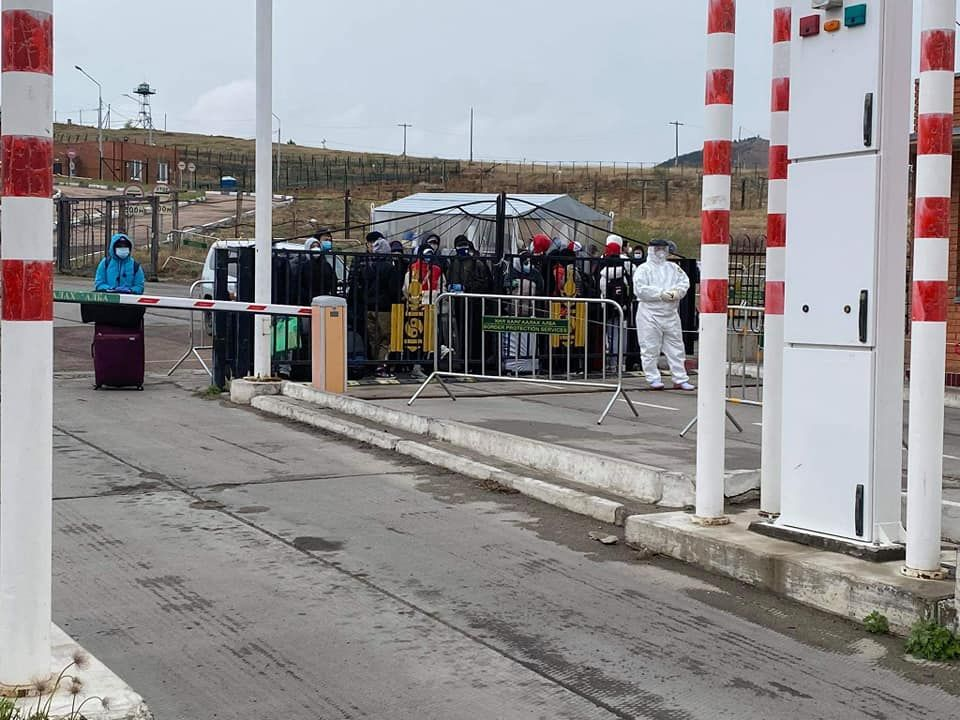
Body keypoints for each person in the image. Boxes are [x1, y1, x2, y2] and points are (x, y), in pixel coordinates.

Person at [632, 239, 694, 391]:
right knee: (650, 347)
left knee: (676, 348)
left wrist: (677, 293)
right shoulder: (643, 269)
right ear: (651, 250)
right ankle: (653, 378)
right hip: (649, 314)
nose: (660, 251)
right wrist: (660, 294)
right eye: (657, 248)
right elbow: (640, 289)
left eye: (663, 248)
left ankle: (680, 378)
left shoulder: (673, 268)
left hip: (670, 313)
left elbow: (684, 282)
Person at [359, 237, 402, 377]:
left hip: (369, 307)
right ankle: (381, 365)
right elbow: (393, 289)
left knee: (373, 338)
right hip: (384, 308)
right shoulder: (390, 268)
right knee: (385, 338)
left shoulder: (367, 267)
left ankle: (374, 363)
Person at [598, 234, 632, 373]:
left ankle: (612, 364)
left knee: (611, 334)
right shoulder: (625, 264)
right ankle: (621, 362)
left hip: (608, 305)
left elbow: (599, 285)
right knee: (622, 334)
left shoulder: (602, 264)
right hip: (623, 304)